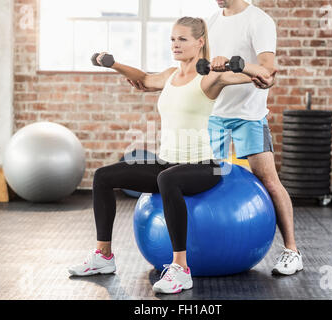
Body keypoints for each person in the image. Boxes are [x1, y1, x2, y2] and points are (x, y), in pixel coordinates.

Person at [68, 17, 274, 294]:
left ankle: (180, 268)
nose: (175, 45)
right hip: (168, 161)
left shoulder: (210, 77)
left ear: (200, 42)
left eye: (182, 39)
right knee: (104, 176)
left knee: (168, 179)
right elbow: (142, 79)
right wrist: (112, 63)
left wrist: (235, 63)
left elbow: (262, 76)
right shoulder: (170, 75)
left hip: (205, 166)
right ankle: (103, 256)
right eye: (172, 39)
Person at [129, 0, 303, 276]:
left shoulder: (259, 20)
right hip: (212, 114)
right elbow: (196, 66)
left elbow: (268, 68)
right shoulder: (210, 21)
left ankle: (291, 250)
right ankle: (191, 253)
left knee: (268, 180)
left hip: (248, 114)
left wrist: (249, 70)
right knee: (195, 178)